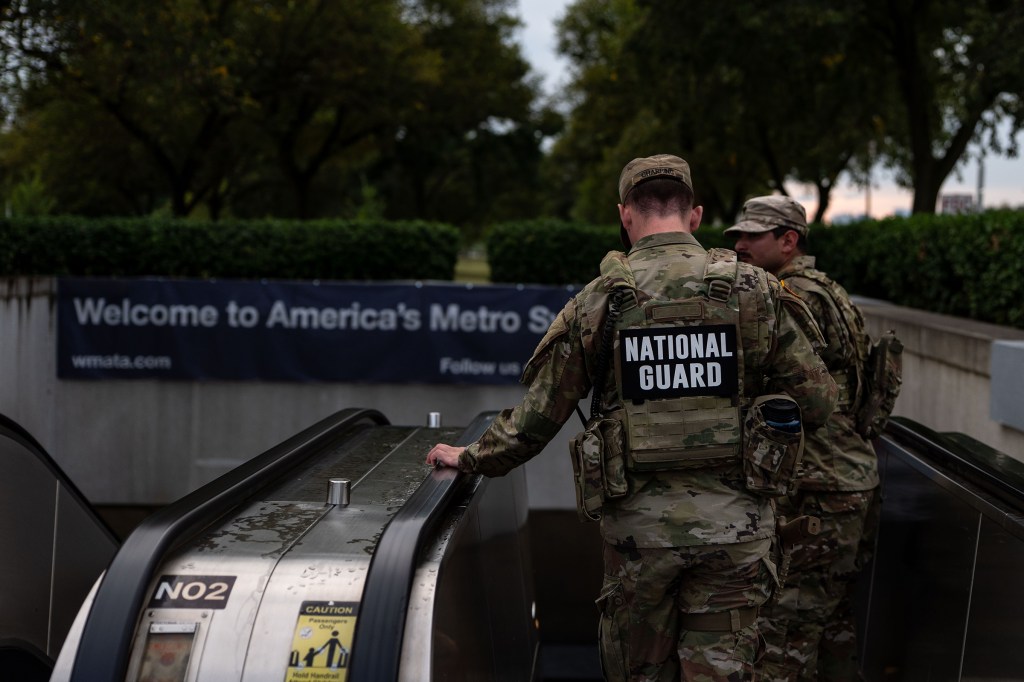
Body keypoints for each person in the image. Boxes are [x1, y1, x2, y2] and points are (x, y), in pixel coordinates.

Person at [427, 154, 837, 681]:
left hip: (640, 540)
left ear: (625, 215)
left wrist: (471, 456)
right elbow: (821, 404)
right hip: (737, 531)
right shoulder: (755, 290)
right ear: (694, 214)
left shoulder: (599, 301)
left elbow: (537, 418)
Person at [726, 195, 879, 681]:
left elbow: (785, 388)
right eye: (739, 235)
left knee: (784, 632)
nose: (741, 244)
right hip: (847, 479)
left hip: (819, 489)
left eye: (754, 235)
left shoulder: (795, 296)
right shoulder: (826, 288)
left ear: (789, 241)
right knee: (830, 625)